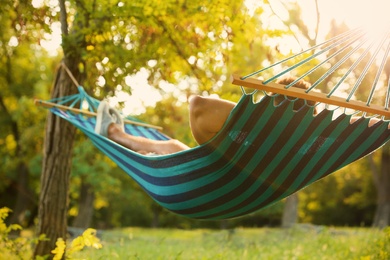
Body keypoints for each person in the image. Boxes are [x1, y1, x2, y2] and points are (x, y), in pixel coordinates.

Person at [94, 77, 377, 155]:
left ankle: (114, 134)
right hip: (247, 183)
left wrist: (225, 103)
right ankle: (115, 134)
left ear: (270, 106)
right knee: (172, 148)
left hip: (223, 177)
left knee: (175, 149)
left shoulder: (254, 130)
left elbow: (198, 106)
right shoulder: (314, 139)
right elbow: (366, 125)